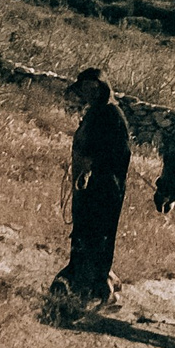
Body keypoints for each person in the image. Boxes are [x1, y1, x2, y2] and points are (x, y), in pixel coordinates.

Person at [45, 67, 131, 318]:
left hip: (104, 189)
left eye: (88, 89)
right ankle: (101, 286)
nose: (85, 94)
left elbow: (120, 155)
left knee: (95, 238)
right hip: (89, 186)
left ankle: (101, 291)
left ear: (98, 88)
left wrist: (92, 167)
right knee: (86, 237)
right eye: (83, 90)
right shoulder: (96, 113)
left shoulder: (111, 115)